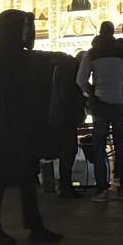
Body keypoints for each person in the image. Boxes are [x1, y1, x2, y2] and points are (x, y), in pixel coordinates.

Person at [0, 9, 63, 245]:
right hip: (4, 128)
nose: (30, 33)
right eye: (25, 28)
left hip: (16, 127)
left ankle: (34, 225)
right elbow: (9, 92)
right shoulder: (1, 55)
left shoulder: (13, 54)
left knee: (26, 177)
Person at [77, 21, 123, 200]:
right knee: (121, 146)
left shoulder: (92, 53)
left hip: (100, 104)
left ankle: (102, 188)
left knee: (99, 146)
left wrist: (92, 93)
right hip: (121, 103)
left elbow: (81, 80)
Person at [47, 49, 89, 198]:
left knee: (67, 151)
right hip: (66, 117)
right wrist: (83, 102)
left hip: (61, 115)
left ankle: (65, 185)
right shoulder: (71, 69)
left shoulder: (66, 67)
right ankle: (65, 186)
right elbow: (70, 94)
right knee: (68, 151)